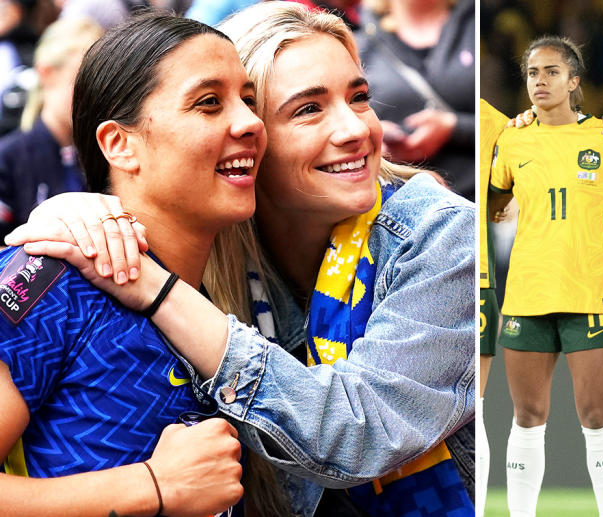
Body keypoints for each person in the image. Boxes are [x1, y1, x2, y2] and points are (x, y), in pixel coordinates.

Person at [10, 3, 475, 516]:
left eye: (359, 97)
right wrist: (70, 213)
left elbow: (360, 430)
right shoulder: (111, 266)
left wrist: (156, 288)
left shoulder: (435, 233)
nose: (356, 129)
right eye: (307, 109)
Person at [0, 12, 263, 516]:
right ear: (119, 144)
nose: (251, 122)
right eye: (209, 103)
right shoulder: (51, 276)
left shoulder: (238, 288)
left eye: (249, 101)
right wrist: (155, 486)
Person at [488, 35, 603, 517]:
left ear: (573, 81)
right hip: (527, 293)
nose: (540, 81)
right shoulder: (514, 138)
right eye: (532, 73)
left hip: (589, 292)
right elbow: (490, 203)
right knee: (527, 417)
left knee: (596, 415)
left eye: (551, 72)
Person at [356, 0, 475, 198]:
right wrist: (372, 137)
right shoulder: (361, 44)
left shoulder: (475, 23)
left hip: (481, 193)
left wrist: (454, 128)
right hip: (407, 203)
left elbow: (507, 119)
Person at [0, 17, 101, 237]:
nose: (94, 97)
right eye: (83, 81)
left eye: (101, 85)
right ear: (46, 73)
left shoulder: (107, 155)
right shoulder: (9, 159)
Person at [476, 97, 507, 517]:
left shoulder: (501, 124)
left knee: (474, 407)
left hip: (481, 279)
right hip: (479, 277)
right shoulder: (499, 121)